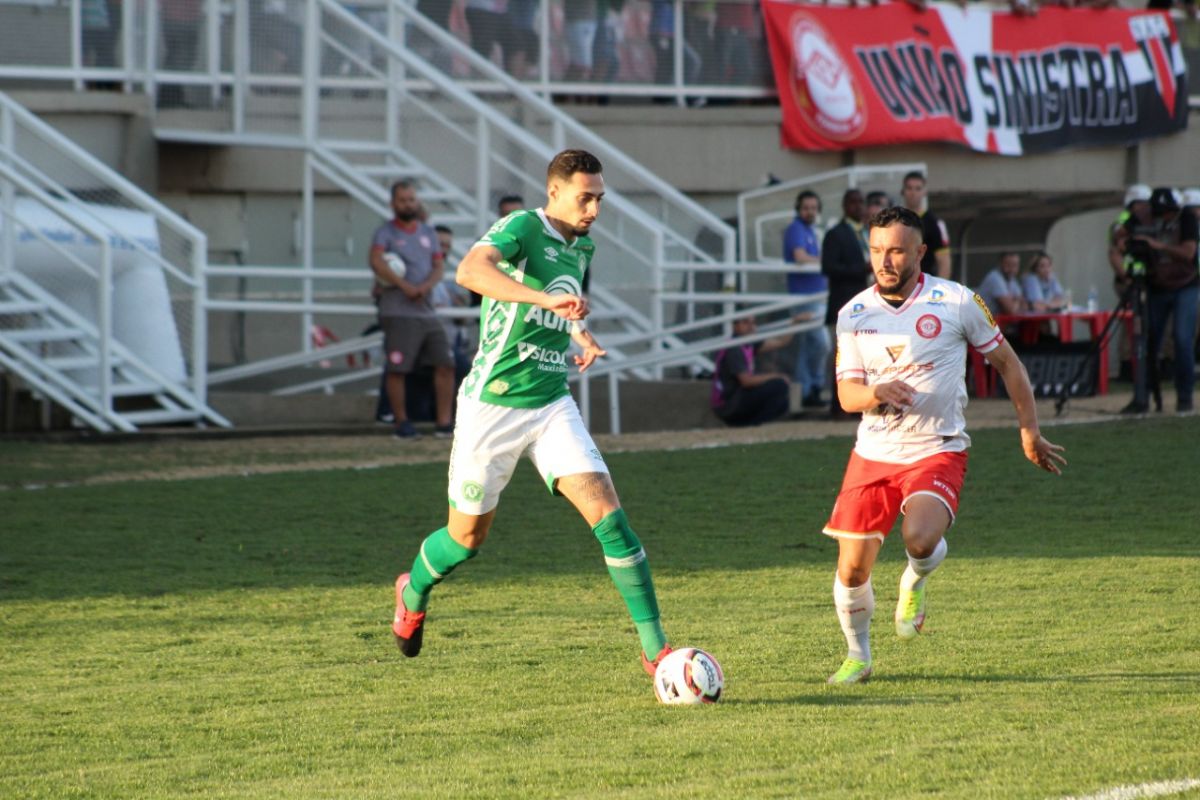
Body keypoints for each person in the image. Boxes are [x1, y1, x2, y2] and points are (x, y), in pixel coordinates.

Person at [390, 149, 675, 682]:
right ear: (554, 193)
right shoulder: (522, 226)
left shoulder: (582, 246)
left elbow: (561, 301)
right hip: (492, 407)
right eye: (584, 197)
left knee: (612, 522)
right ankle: (413, 589)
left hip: (549, 402)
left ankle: (656, 650)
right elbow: (470, 271)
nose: (593, 208)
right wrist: (543, 302)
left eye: (599, 199)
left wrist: (577, 330)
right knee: (466, 540)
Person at [823, 206, 1066, 685]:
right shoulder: (853, 314)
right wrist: (877, 392)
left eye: (895, 250)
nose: (884, 261)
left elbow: (1009, 364)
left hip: (937, 447)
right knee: (851, 570)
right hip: (872, 455)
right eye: (875, 250)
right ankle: (859, 657)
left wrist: (1029, 430)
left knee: (920, 538)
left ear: (919, 251)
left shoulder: (956, 301)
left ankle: (914, 579)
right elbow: (847, 395)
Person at [369, 180, 457, 439]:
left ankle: (444, 423)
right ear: (393, 203)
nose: (408, 204)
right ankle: (401, 424)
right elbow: (376, 261)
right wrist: (405, 286)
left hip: (426, 311)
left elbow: (438, 266)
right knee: (398, 369)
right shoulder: (385, 233)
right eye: (403, 200)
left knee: (446, 364)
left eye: (411, 199)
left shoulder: (428, 233)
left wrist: (424, 287)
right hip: (397, 312)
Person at [1140, 187, 1198, 414]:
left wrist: (1158, 246)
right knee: (1150, 341)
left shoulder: (1187, 218)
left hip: (1186, 284)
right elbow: (1121, 233)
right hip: (1158, 286)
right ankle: (1147, 395)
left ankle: (1185, 396)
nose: (1162, 216)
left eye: (1166, 212)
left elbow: (1188, 252)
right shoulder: (1147, 220)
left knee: (1182, 339)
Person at [820, 188, 870, 418]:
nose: (857, 207)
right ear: (844, 205)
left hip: (868, 305)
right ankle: (838, 407)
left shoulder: (869, 232)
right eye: (853, 202)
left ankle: (860, 404)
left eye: (861, 202)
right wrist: (861, 270)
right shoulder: (836, 234)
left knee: (864, 356)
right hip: (844, 304)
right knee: (842, 357)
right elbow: (828, 268)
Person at [782, 190, 831, 409]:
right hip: (804, 297)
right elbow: (800, 258)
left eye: (813, 208)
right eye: (805, 208)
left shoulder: (811, 229)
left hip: (816, 295)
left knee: (807, 345)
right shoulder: (796, 229)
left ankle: (808, 390)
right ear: (798, 209)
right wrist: (826, 260)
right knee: (821, 343)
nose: (809, 212)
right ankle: (814, 384)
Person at [710, 314, 792, 427]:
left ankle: (747, 425)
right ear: (735, 326)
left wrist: (795, 323)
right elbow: (746, 381)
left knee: (783, 403)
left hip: (738, 398)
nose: (751, 326)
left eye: (753, 323)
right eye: (745, 322)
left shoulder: (749, 343)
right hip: (729, 404)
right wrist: (777, 376)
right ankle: (753, 426)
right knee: (779, 385)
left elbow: (781, 342)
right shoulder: (734, 347)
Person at [900, 171, 951, 278]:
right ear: (903, 191)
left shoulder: (935, 223)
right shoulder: (895, 219)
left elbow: (944, 261)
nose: (913, 192)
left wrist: (940, 289)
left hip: (924, 284)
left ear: (924, 192)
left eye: (918, 188)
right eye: (909, 188)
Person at [976, 251, 1026, 317]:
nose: (1011, 269)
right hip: (982, 321)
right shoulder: (994, 278)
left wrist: (1015, 301)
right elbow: (1011, 310)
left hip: (994, 322)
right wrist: (1016, 300)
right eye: (1008, 265)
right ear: (1000, 264)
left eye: (1014, 265)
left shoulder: (1011, 279)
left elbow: (1024, 304)